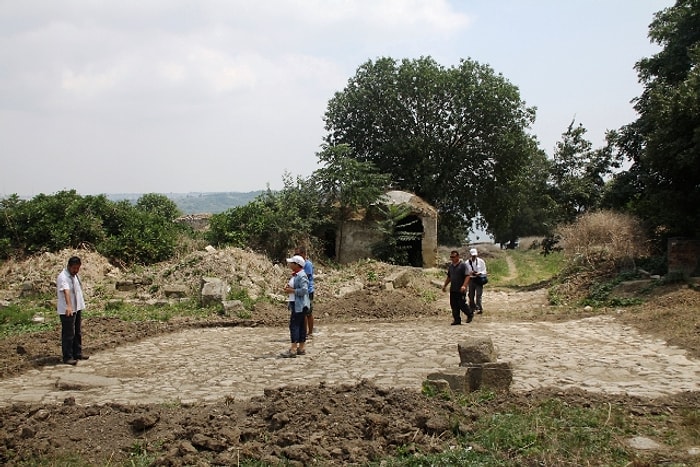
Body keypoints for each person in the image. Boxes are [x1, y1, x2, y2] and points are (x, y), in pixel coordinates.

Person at [56, 256, 88, 365]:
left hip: (77, 307)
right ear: (69, 266)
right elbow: (66, 291)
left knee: (77, 331)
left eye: (78, 268)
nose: (76, 270)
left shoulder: (74, 275)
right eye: (74, 268)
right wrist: (69, 306)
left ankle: (77, 353)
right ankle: (67, 356)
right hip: (67, 310)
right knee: (68, 333)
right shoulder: (63, 277)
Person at [280, 255, 310, 358]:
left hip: (299, 304)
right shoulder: (296, 275)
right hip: (297, 303)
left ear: (297, 265)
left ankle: (293, 348)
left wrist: (291, 291)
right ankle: (301, 348)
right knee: (301, 325)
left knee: (294, 325)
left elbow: (304, 290)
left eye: (291, 263)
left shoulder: (301, 276)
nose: (289, 264)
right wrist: (289, 288)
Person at [441, 250, 472, 325]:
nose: (452, 258)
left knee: (462, 304)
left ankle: (469, 314)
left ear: (458, 257)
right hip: (453, 289)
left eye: (453, 257)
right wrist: (445, 285)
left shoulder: (463, 265)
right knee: (453, 305)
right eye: (451, 257)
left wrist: (464, 286)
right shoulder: (451, 266)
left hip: (461, 289)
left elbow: (467, 276)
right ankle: (457, 319)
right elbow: (449, 277)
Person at [294, 246, 315, 337]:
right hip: (301, 291)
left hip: (308, 291)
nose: (296, 256)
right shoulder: (299, 265)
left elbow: (305, 276)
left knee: (308, 313)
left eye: (297, 254)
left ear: (303, 254)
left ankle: (309, 332)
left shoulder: (307, 264)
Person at [466, 247, 488, 315]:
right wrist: (470, 273)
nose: (474, 257)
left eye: (475, 255)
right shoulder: (467, 263)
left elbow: (484, 270)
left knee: (479, 295)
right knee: (471, 295)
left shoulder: (481, 261)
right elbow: (466, 272)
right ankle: (472, 307)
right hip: (471, 279)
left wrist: (479, 273)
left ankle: (479, 308)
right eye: (472, 256)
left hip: (478, 279)